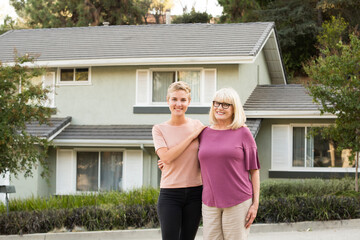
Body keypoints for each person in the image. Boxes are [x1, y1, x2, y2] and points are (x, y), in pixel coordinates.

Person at [198, 88, 260, 240]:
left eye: (226, 104)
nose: (219, 108)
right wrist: (167, 163)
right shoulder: (203, 133)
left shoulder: (243, 133)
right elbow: (191, 159)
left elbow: (254, 170)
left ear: (234, 108)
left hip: (238, 201)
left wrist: (255, 204)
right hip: (209, 202)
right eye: (217, 103)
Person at [152, 81, 205, 240]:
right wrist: (190, 137)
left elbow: (210, 153)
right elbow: (166, 157)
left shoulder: (198, 125)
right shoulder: (159, 129)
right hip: (170, 194)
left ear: (189, 102)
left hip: (196, 192)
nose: (178, 104)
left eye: (183, 100)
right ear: (167, 100)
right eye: (174, 99)